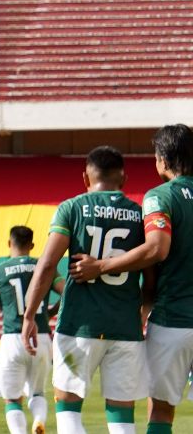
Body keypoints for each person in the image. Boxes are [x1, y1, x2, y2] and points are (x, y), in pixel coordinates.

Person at [71, 124, 193, 434]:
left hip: (174, 321)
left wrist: (102, 266)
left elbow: (157, 248)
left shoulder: (160, 197)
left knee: (162, 412)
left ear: (162, 160)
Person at [22, 146, 148, 434]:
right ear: (124, 179)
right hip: (125, 326)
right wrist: (145, 310)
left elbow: (46, 265)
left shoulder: (72, 208)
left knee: (68, 409)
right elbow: (151, 269)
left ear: (85, 177)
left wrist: (30, 315)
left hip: (79, 325)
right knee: (122, 415)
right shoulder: (140, 214)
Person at [0, 226, 65, 434]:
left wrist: (5, 306)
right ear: (32, 245)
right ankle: (38, 420)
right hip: (42, 336)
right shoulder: (45, 267)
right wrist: (50, 312)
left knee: (12, 398)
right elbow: (68, 292)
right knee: (37, 393)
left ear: (10, 243)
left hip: (12, 338)